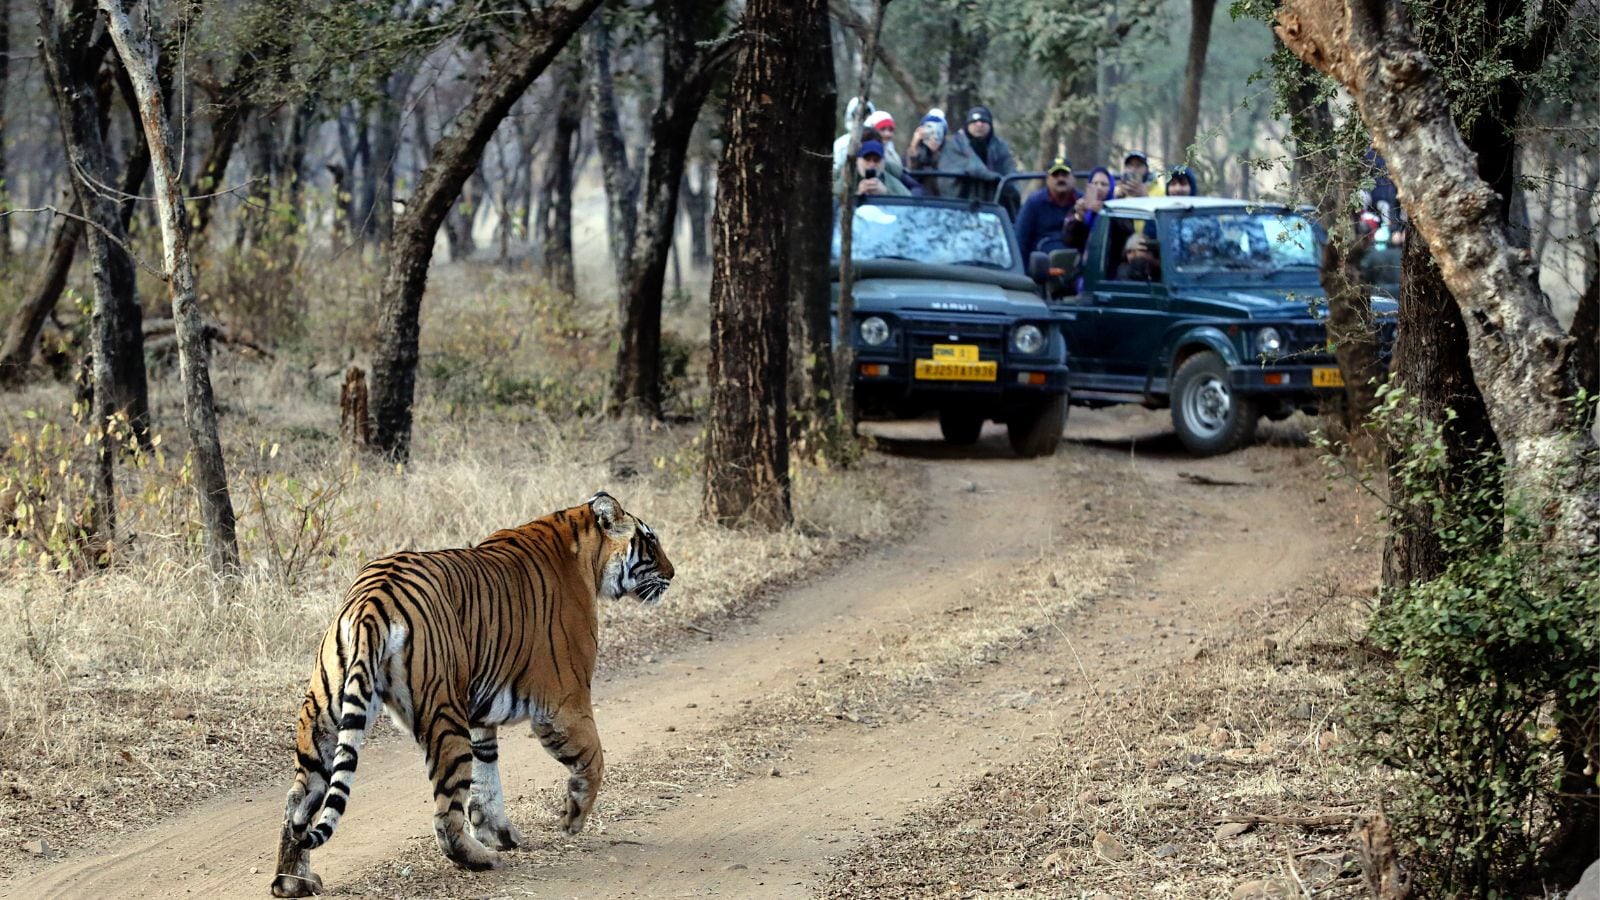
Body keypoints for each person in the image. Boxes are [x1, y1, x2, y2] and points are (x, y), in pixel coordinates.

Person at [1013, 156, 1079, 256]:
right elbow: (1020, 239)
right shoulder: (1034, 203)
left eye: (1065, 174)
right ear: (1048, 179)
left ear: (1073, 178)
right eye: (1055, 175)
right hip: (1041, 265)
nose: (1060, 179)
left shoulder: (1082, 203)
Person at [1061, 166, 1115, 252]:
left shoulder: (1116, 210)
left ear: (1111, 188)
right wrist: (1079, 217)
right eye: (1095, 183)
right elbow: (1068, 241)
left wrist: (1104, 214)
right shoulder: (1080, 207)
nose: (1099, 188)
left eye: (1103, 184)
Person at [834, 139, 909, 197]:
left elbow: (910, 205)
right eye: (867, 159)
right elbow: (835, 205)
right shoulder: (847, 179)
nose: (872, 164)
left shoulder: (891, 181)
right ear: (858, 161)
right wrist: (858, 195)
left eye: (876, 160)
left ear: (883, 163)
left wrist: (886, 194)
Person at [831, 97, 875, 172]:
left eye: (866, 113)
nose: (863, 117)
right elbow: (835, 171)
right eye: (858, 113)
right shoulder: (841, 144)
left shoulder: (879, 142)